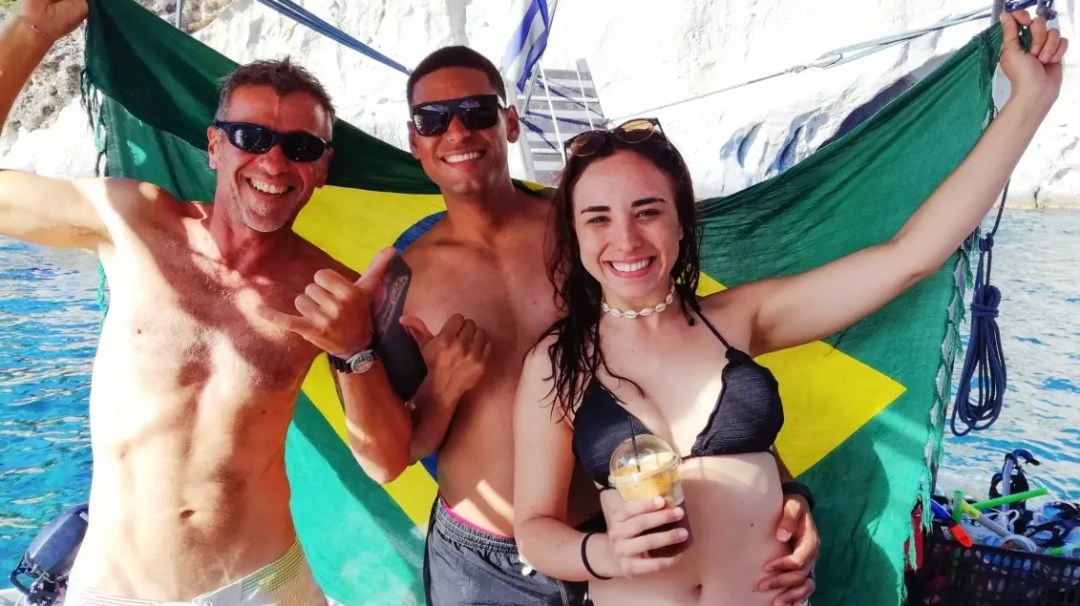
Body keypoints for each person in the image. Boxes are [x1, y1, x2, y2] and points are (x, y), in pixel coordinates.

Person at [511, 9, 1067, 606]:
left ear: (680, 223)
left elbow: (912, 256)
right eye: (598, 218)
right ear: (575, 234)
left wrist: (1029, 102)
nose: (626, 240)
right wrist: (603, 552)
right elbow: (534, 530)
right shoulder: (556, 360)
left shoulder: (741, 318)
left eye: (647, 211)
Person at [282, 45, 818, 605]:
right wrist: (437, 394)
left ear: (509, 122)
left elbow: (693, 364)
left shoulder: (592, 234)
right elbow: (386, 460)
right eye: (432, 120)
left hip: (616, 541)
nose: (458, 131)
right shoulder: (397, 280)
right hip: (484, 562)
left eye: (477, 111)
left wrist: (780, 489)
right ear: (414, 140)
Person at [0, 1, 468, 603]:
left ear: (322, 167)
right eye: (252, 137)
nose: (274, 162)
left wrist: (355, 350)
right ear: (215, 146)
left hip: (261, 584)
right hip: (111, 584)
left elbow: (384, 460)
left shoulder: (337, 289)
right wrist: (32, 25)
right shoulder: (134, 222)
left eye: (301, 147)